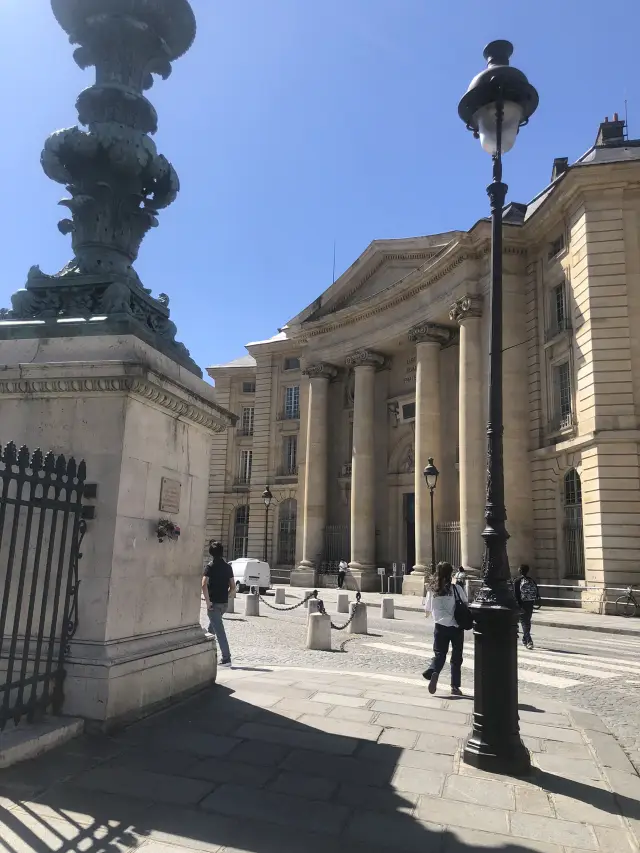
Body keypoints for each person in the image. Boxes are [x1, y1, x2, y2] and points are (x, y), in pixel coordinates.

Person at [422, 561, 467, 696]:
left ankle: (434, 670)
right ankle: (455, 686)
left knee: (440, 653)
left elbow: (427, 610)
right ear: (451, 574)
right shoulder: (456, 589)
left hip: (440, 627)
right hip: (456, 627)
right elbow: (465, 603)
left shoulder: (432, 589)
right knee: (456, 657)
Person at [202, 541, 234, 666]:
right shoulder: (228, 567)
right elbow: (233, 587)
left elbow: (203, 584)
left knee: (219, 632)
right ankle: (206, 653)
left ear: (211, 553)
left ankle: (226, 658)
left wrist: (208, 602)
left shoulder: (210, 566)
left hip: (214, 603)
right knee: (211, 629)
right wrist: (226, 595)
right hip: (224, 604)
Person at [514, 564, 539, 650]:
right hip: (530, 603)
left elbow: (515, 594)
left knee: (524, 622)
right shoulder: (531, 580)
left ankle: (529, 641)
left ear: (520, 571)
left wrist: (517, 604)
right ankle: (525, 639)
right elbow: (537, 593)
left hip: (522, 603)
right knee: (527, 621)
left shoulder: (517, 581)